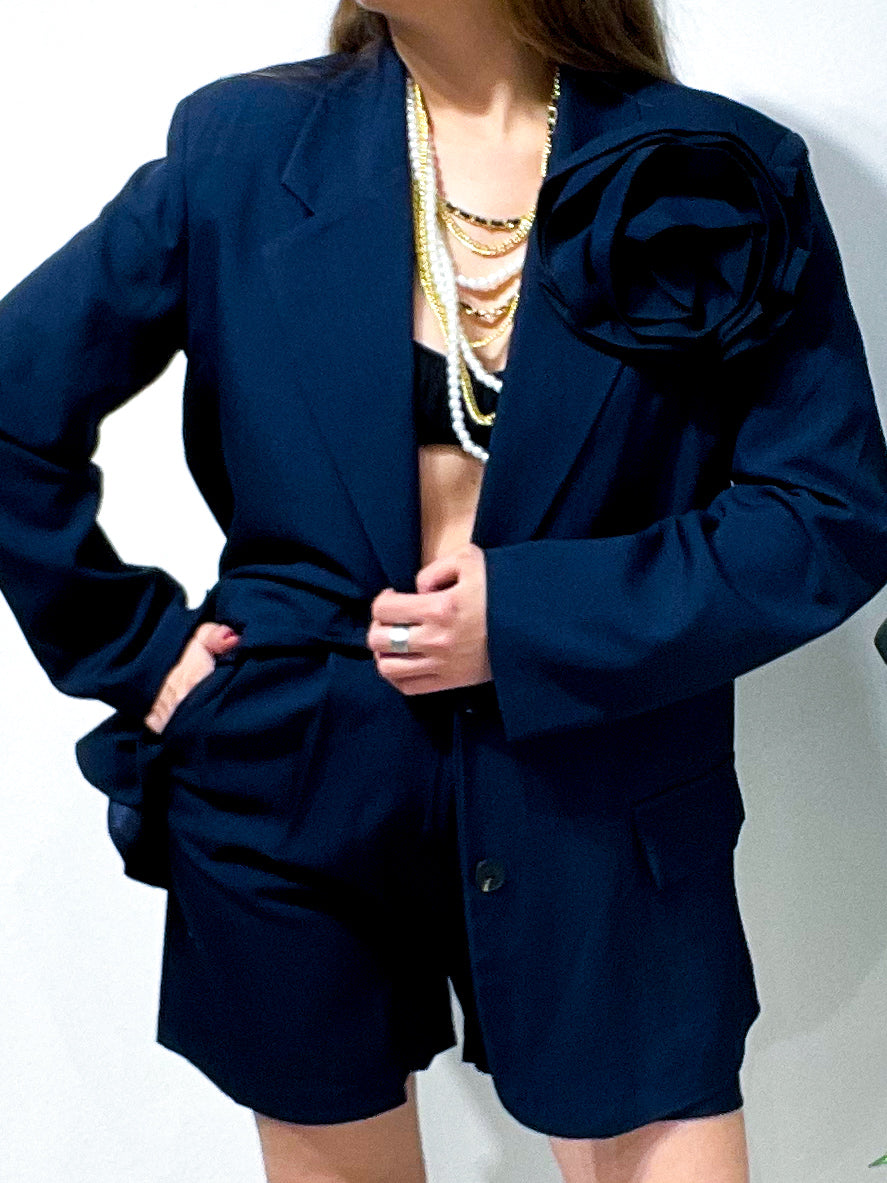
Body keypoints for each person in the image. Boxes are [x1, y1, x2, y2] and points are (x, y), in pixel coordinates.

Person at [2, 1, 886, 1180]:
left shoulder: (719, 172)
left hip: (602, 782)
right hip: (288, 779)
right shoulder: (240, 146)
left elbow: (825, 511)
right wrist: (137, 652)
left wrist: (528, 619)